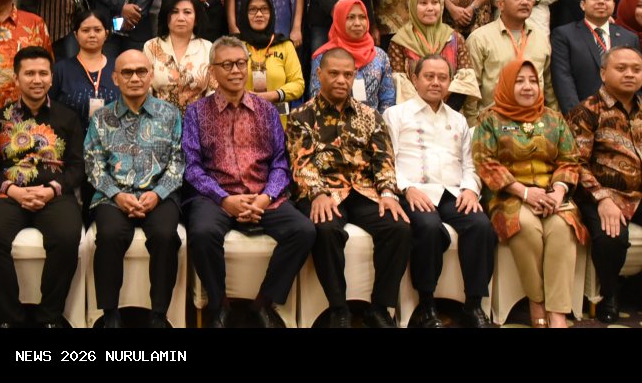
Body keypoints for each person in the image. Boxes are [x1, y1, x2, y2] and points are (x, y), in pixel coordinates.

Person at [182, 37, 313, 328]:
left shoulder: (267, 111)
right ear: (212, 71)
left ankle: (262, 304)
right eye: (226, 65)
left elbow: (280, 162)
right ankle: (219, 306)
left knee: (303, 231)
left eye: (241, 63)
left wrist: (265, 197)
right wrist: (224, 200)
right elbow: (192, 168)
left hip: (262, 194)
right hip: (215, 196)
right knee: (202, 233)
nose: (236, 71)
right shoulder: (196, 112)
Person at [288, 47, 411, 328]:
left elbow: (383, 158)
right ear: (319, 75)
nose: (341, 80)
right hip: (324, 189)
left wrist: (389, 193)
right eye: (334, 73)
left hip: (364, 189)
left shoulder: (369, 115)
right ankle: (339, 308)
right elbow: (301, 162)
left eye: (347, 74)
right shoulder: (302, 116)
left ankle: (379, 308)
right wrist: (317, 193)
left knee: (398, 226)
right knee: (325, 228)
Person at [382, 55, 495, 328]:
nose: (436, 82)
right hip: (414, 190)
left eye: (442, 77)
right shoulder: (395, 115)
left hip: (452, 191)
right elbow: (386, 160)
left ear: (450, 82)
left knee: (481, 226)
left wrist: (470, 189)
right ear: (415, 79)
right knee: (429, 227)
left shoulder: (458, 120)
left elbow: (470, 163)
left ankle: (473, 304)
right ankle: (427, 304)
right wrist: (405, 188)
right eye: (429, 76)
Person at [472, 58, 585, 328]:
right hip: (508, 196)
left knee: (561, 228)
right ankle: (536, 302)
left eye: (533, 81)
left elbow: (570, 159)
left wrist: (558, 193)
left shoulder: (554, 119)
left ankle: (557, 312)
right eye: (519, 81)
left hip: (553, 194)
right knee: (525, 225)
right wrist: (525, 193)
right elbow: (484, 162)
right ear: (507, 84)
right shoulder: (490, 119)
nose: (527, 87)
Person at [0, 46, 84, 328]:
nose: (37, 79)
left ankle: (49, 316)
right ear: (16, 78)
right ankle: (10, 318)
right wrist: (13, 190)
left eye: (43, 73)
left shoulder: (68, 118)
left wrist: (51, 190)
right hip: (9, 194)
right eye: (29, 73)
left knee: (67, 236)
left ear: (51, 78)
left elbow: (77, 168)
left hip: (54, 194)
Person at [84, 49, 183, 328]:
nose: (135, 78)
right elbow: (92, 162)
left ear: (151, 75)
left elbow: (178, 159)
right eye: (127, 72)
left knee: (165, 235)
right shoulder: (102, 117)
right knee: (110, 235)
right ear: (115, 78)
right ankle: (110, 314)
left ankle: (158, 315)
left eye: (141, 71)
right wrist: (116, 194)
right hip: (113, 195)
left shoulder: (170, 114)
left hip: (159, 194)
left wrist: (158, 193)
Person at [567, 46, 642, 322]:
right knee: (612, 236)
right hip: (600, 194)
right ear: (603, 72)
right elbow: (575, 163)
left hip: (638, 192)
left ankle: (636, 288)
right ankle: (610, 293)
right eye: (621, 68)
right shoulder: (586, 111)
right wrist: (604, 199)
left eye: (636, 69)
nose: (630, 74)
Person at [464, 0, 558, 125]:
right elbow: (470, 89)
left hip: (535, 124)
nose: (525, 2)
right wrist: (473, 127)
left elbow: (549, 88)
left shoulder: (541, 38)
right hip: (493, 125)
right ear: (500, 4)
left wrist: (553, 123)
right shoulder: (480, 39)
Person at [551, 0, 641, 113]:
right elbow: (563, 79)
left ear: (614, 5)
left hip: (625, 116)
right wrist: (578, 116)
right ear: (583, 4)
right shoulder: (564, 35)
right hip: (584, 116)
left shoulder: (629, 37)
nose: (601, 1)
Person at [386, 0, 479, 106]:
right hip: (413, 115)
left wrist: (443, 111)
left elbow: (465, 83)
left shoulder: (455, 39)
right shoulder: (400, 41)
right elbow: (401, 88)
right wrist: (426, 113)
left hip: (451, 111)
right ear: (413, 6)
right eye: (423, 3)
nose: (430, 8)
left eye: (435, 2)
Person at [310, 0, 395, 113]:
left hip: (372, 126)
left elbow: (388, 100)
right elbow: (316, 97)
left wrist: (378, 126)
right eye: (350, 17)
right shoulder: (323, 57)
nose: (357, 23)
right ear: (339, 20)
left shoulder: (379, 55)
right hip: (333, 126)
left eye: (362, 17)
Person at [237, 0, 304, 119]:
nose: (259, 14)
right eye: (252, 9)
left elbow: (298, 84)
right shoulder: (235, 45)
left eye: (264, 9)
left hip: (277, 122)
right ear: (244, 14)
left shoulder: (285, 45)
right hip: (241, 121)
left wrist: (274, 95)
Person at [143, 0, 213, 113]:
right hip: (158, 120)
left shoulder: (208, 47)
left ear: (196, 19)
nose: (181, 18)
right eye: (174, 12)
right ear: (166, 17)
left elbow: (213, 91)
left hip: (198, 121)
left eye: (187, 12)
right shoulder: (151, 46)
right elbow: (145, 89)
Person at [52, 9, 119, 128]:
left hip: (112, 141)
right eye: (85, 30)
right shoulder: (61, 69)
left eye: (97, 30)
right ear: (76, 35)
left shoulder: (118, 67)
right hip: (70, 140)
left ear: (106, 34)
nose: (92, 35)